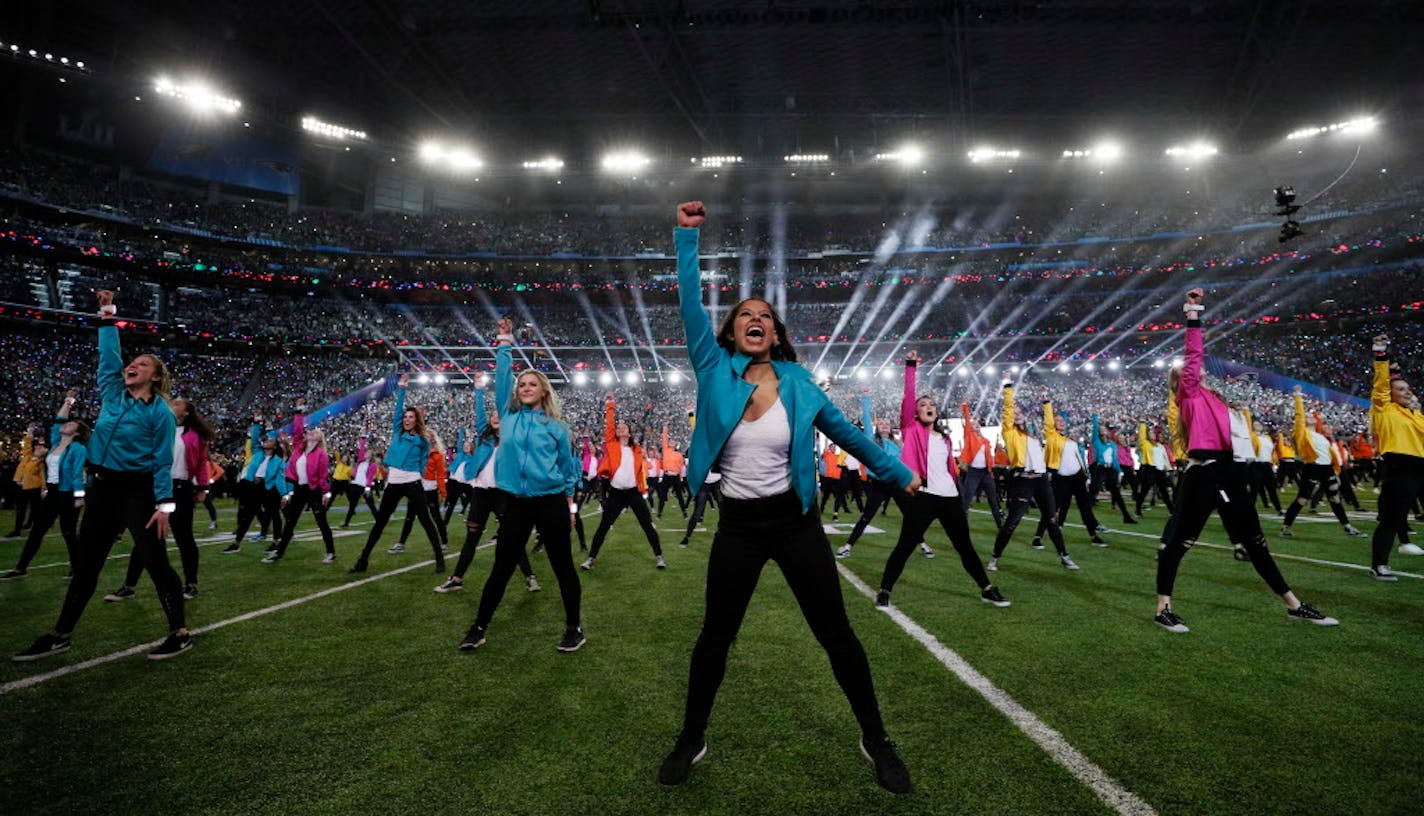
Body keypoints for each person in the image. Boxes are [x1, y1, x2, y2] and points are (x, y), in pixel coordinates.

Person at [657, 202, 920, 795]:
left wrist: (897, 471)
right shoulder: (711, 366)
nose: (756, 320)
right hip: (739, 529)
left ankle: (875, 737)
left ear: (776, 333)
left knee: (838, 636)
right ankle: (691, 735)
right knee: (714, 637)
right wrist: (686, 238)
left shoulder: (799, 383)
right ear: (730, 333)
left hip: (796, 524)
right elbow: (688, 303)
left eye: (765, 317)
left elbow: (847, 434)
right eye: (745, 316)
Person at [15, 289, 191, 662]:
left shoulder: (159, 413)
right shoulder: (113, 394)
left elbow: (162, 461)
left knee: (155, 561)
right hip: (102, 490)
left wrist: (165, 506)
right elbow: (108, 357)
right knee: (87, 564)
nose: (133, 365)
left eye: (143, 364)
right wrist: (108, 314)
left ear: (156, 376)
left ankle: (179, 631)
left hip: (138, 492)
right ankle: (60, 634)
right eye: (133, 361)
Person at [1152, 288, 1338, 633]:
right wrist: (1194, 314)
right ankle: (1163, 608)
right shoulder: (1188, 393)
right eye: (1184, 374)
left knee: (1255, 542)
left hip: (1230, 472)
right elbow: (1193, 357)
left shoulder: (1216, 399)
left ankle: (1293, 606)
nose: (1192, 373)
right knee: (1179, 543)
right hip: (1205, 472)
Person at [458, 317, 581, 651]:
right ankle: (479, 627)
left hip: (551, 501)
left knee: (563, 567)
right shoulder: (507, 417)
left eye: (532, 384)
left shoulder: (557, 427)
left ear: (544, 391)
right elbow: (502, 379)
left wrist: (570, 507)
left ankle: (574, 628)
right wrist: (504, 341)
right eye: (522, 384)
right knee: (501, 568)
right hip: (515, 502)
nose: (525, 387)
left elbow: (569, 473)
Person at [875, 352, 1008, 609]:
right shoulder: (911, 429)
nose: (929, 406)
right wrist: (911, 367)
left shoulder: (945, 439)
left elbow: (948, 469)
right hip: (923, 496)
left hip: (950, 498)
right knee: (905, 545)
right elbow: (909, 397)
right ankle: (884, 589)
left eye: (932, 404)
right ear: (915, 411)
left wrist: (957, 487)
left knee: (965, 547)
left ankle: (986, 588)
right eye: (923, 404)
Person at [435, 383, 540, 594]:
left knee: (512, 538)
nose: (495, 417)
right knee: (471, 538)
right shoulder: (485, 438)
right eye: (493, 415)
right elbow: (479, 415)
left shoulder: (512, 441)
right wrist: (479, 391)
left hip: (503, 494)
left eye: (499, 415)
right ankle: (456, 579)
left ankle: (530, 576)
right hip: (480, 493)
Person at [106, 396, 213, 600]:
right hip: (154, 487)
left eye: (178, 402)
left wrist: (203, 487)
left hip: (180, 489)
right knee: (146, 538)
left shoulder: (195, 436)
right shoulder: (157, 427)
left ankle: (191, 583)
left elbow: (201, 463)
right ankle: (129, 586)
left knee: (184, 538)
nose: (172, 403)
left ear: (186, 412)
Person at [349, 374, 446, 573]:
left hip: (412, 482)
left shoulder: (422, 441)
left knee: (426, 520)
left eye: (411, 417)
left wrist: (416, 476)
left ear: (417, 420)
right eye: (406, 417)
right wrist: (402, 388)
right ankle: (363, 560)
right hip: (393, 481)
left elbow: (422, 463)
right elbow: (396, 411)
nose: (407, 419)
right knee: (380, 522)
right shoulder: (397, 432)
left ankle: (439, 559)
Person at [988, 376, 1077, 572]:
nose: (1017, 414)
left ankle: (1064, 556)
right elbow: (1008, 409)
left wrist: (1046, 399)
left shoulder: (1034, 437)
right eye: (1015, 413)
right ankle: (995, 557)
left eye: (1020, 413)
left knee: (1052, 519)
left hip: (1042, 480)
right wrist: (1008, 387)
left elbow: (1049, 422)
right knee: (1012, 522)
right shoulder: (1009, 434)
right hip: (1023, 480)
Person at [1, 392, 88, 580]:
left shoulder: (78, 449)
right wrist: (68, 400)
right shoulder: (56, 442)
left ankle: (77, 568)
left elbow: (77, 473)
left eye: (71, 424)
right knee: (37, 531)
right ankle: (20, 568)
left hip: (69, 494)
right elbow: (58, 419)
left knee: (69, 532)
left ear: (77, 433)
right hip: (54, 493)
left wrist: (80, 496)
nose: (67, 423)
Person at [582, 393, 665, 571]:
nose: (620, 429)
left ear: (629, 431)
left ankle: (659, 556)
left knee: (647, 525)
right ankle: (590, 558)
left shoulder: (636, 449)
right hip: (616, 493)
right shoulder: (611, 445)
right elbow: (609, 425)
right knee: (604, 525)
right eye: (618, 427)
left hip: (634, 493)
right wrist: (610, 404)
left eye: (623, 427)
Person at [1365, 333, 1424, 580]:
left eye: (1408, 389)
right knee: (1391, 519)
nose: (1406, 392)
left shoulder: (1416, 416)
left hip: (1421, 468)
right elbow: (1381, 383)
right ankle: (1379, 565)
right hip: (1400, 466)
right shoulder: (1384, 408)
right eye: (1400, 389)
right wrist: (1381, 354)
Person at [1280, 387, 1364, 538]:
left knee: (1334, 497)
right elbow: (1299, 416)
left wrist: (1336, 470)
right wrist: (1298, 396)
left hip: (1326, 469)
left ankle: (1347, 526)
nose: (1310, 416)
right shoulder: (1301, 433)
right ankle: (1287, 526)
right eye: (1308, 416)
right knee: (1303, 499)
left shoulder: (1320, 436)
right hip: (1312, 467)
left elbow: (1330, 455)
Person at [838, 387, 910, 557]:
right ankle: (848, 546)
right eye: (881, 423)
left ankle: (922, 544)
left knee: (910, 515)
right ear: (877, 428)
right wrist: (866, 397)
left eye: (887, 423)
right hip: (878, 484)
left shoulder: (898, 445)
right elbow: (867, 419)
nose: (884, 425)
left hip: (895, 483)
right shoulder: (871, 439)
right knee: (867, 516)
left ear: (891, 428)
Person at [264, 401, 338, 564]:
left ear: (319, 439)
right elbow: (298, 430)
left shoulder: (321, 455)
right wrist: (299, 412)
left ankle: (331, 552)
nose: (312, 433)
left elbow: (322, 476)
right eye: (311, 432)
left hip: (314, 491)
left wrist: (326, 492)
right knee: (290, 522)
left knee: (322, 523)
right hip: (299, 489)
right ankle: (279, 553)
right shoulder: (298, 448)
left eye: (316, 433)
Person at [1033, 391, 1107, 549]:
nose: (1061, 422)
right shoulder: (1052, 436)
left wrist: (1086, 477)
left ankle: (1094, 536)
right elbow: (1048, 419)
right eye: (1057, 420)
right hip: (1061, 478)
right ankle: (1038, 537)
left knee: (1085, 507)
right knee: (1052, 508)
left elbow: (1079, 460)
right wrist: (1046, 400)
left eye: (1062, 420)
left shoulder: (1071, 441)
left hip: (1078, 477)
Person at [958, 404, 1005, 528]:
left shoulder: (985, 441)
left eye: (978, 424)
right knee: (967, 499)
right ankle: (960, 524)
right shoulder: (969, 437)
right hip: (973, 472)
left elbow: (989, 459)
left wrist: (991, 471)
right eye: (974, 424)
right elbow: (967, 422)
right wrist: (965, 408)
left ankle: (1000, 525)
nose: (976, 425)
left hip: (985, 473)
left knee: (993, 500)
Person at [7, 427, 45, 538]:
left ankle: (33, 528)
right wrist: (30, 433)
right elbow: (27, 444)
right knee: (20, 510)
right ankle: (17, 530)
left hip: (34, 488)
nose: (38, 446)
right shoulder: (29, 455)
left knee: (35, 510)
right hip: (21, 486)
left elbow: (43, 476)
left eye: (41, 446)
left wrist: (43, 488)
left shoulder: (42, 462)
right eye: (37, 445)